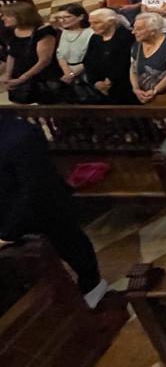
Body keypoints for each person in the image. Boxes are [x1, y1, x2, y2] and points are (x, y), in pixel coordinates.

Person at [0, 116, 106, 304]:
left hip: (45, 209)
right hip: (10, 214)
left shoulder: (20, 136)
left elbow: (35, 188)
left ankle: (93, 292)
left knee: (74, 250)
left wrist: (8, 234)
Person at [0, 2, 61, 103]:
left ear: (22, 16)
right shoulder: (12, 31)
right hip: (20, 74)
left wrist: (22, 79)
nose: (3, 18)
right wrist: (8, 76)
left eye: (8, 16)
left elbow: (44, 61)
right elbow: (11, 55)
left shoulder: (43, 33)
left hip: (41, 75)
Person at [129, 13, 166, 104]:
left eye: (139, 29)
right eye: (134, 28)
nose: (133, 32)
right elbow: (133, 68)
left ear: (153, 30)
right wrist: (136, 89)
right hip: (144, 95)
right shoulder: (137, 45)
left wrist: (154, 91)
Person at [82, 9, 136, 104]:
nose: (91, 27)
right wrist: (95, 82)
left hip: (123, 86)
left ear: (111, 22)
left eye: (96, 23)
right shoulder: (95, 38)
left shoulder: (126, 36)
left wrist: (109, 81)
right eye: (90, 23)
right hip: (98, 86)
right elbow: (88, 60)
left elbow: (124, 62)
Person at [53, 4, 93, 95]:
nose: (62, 21)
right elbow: (60, 54)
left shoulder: (90, 33)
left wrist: (72, 74)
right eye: (59, 17)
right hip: (68, 72)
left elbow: (91, 58)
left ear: (81, 17)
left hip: (86, 72)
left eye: (67, 17)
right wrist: (67, 72)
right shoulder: (64, 32)